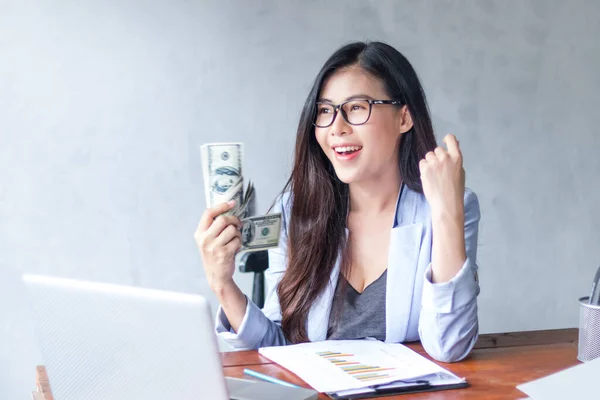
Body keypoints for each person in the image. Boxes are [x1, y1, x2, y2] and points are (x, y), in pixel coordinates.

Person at [194, 41, 481, 362]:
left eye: (357, 107)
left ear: (404, 118)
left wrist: (446, 213)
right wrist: (222, 284)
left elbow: (450, 345)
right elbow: (278, 347)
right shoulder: (293, 211)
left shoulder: (450, 207)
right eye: (325, 111)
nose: (336, 128)